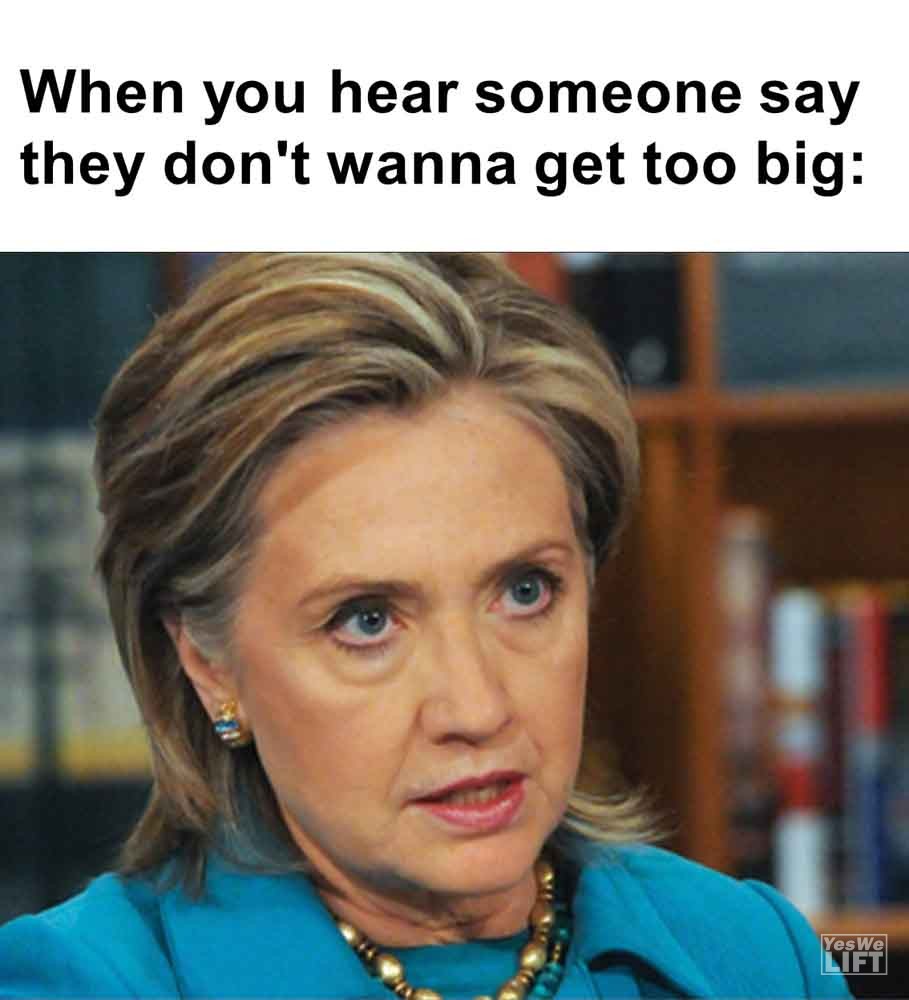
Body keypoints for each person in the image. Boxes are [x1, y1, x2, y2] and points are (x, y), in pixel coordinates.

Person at [0, 253, 849, 999]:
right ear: (206, 661)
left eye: (525, 591)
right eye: (367, 621)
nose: (476, 708)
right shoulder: (74, 983)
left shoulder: (753, 955)